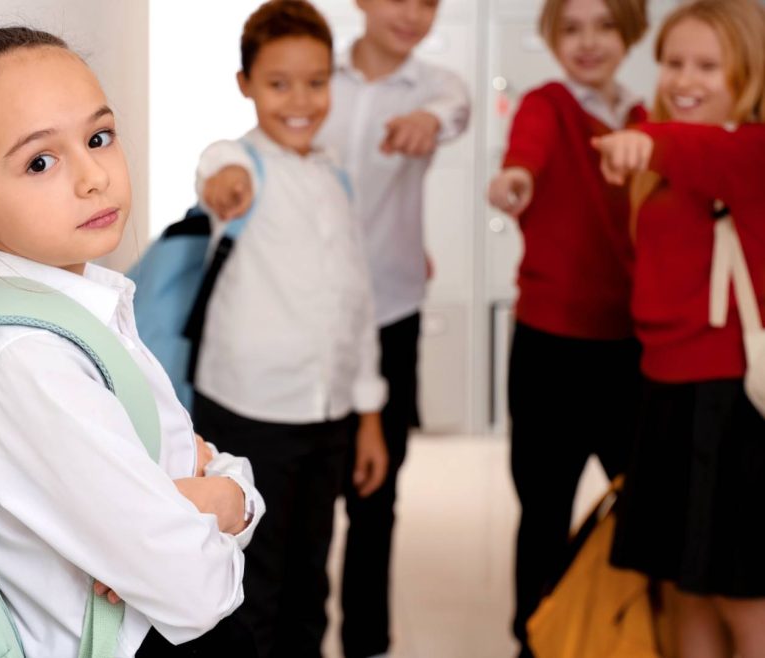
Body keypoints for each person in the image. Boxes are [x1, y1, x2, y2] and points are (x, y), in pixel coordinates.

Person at [0, 26, 267, 657]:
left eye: (99, 137)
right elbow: (197, 590)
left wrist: (226, 496)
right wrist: (221, 498)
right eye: (40, 162)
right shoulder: (25, 359)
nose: (93, 177)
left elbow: (212, 477)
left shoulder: (86, 315)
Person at [188, 2, 389, 655]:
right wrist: (223, 183)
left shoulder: (335, 177)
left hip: (326, 417)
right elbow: (217, 167)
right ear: (245, 84)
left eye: (315, 82)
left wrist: (368, 416)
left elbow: (358, 306)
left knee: (309, 581)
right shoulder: (242, 164)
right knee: (252, 588)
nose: (300, 100)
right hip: (250, 415)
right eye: (278, 84)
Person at [593, 1, 765, 655]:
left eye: (708, 66)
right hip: (667, 396)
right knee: (683, 589)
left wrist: (646, 142)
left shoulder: (749, 149)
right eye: (673, 62)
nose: (684, 80)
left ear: (749, 73)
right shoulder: (664, 156)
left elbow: (705, 150)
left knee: (743, 598)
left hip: (733, 407)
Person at [485, 0, 649, 654]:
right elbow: (524, 156)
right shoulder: (546, 105)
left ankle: (619, 633)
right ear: (553, 38)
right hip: (551, 349)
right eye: (571, 29)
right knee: (545, 512)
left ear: (630, 33)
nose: (588, 42)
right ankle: (536, 639)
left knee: (641, 510)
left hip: (633, 347)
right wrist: (515, 179)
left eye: (605, 26)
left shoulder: (645, 117)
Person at [315, 0, 470, 653]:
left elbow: (455, 110)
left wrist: (426, 121)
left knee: (376, 492)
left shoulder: (435, 87)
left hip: (390, 313)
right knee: (310, 487)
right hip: (313, 316)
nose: (412, 14)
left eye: (428, 2)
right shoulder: (318, 78)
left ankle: (367, 639)